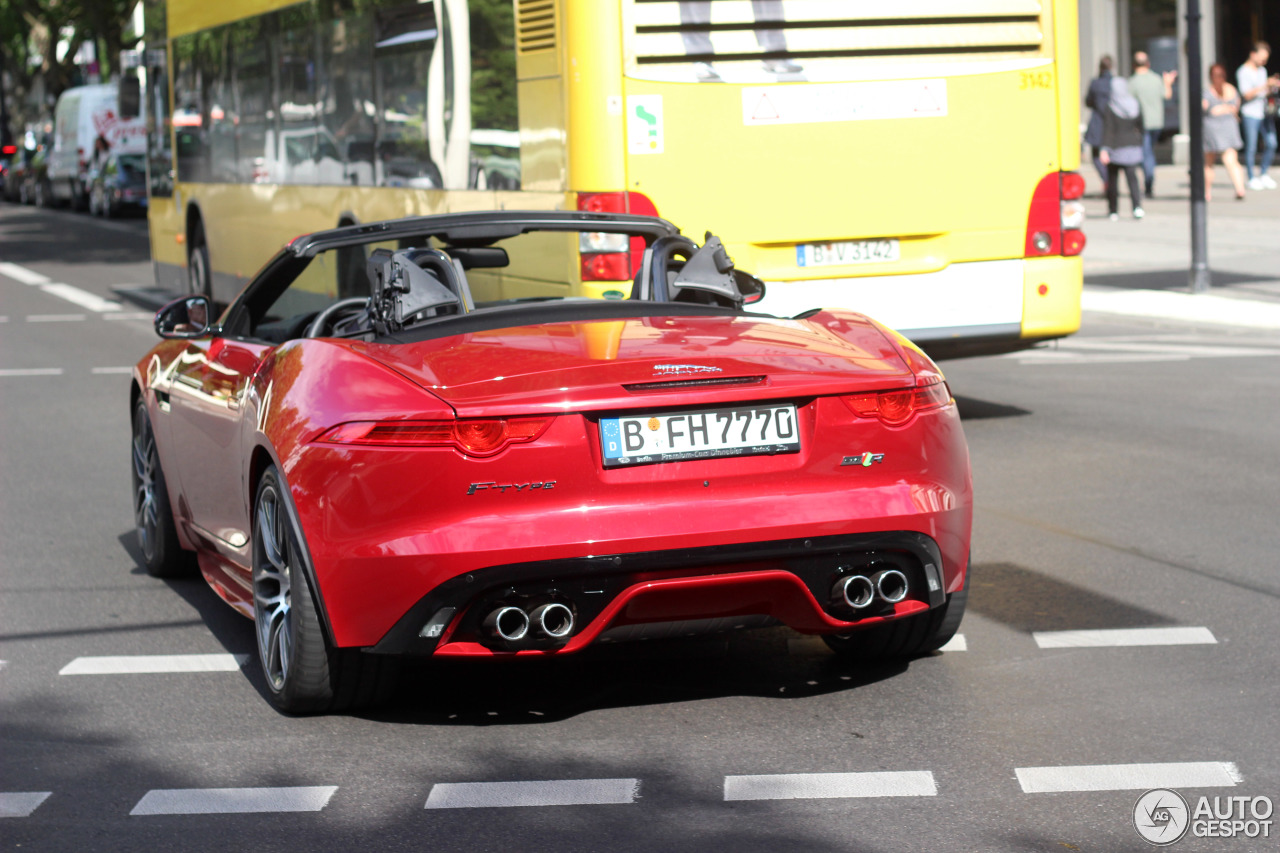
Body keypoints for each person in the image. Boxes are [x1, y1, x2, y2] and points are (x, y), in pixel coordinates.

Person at [1128, 52, 1177, 196]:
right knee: (1149, 151)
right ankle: (1149, 180)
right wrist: (1168, 83)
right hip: (1157, 122)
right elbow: (1167, 95)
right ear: (1148, 64)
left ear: (1134, 65)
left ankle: (1149, 180)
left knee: (1146, 153)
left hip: (1142, 124)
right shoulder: (1156, 79)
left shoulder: (1132, 82)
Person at [1099, 78, 1145, 220]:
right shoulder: (1135, 104)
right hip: (1132, 147)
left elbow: (1108, 129)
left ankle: (1113, 210)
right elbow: (1141, 126)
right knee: (1133, 180)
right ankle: (1137, 207)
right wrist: (1139, 141)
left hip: (1115, 148)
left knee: (1113, 181)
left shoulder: (1111, 106)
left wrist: (1104, 149)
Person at [1236, 41, 1280, 190]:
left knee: (1271, 143)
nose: (1264, 61)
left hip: (1264, 112)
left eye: (1266, 59)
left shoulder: (1262, 71)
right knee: (1251, 146)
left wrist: (1272, 86)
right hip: (1250, 113)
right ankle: (1251, 177)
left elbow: (1263, 92)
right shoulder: (1243, 71)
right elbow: (1246, 95)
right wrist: (1264, 85)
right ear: (1253, 54)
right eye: (1262, 58)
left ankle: (1264, 173)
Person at [1202, 63, 1247, 201]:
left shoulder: (1209, 92)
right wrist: (1227, 108)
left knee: (1213, 162)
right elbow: (1236, 107)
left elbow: (1204, 108)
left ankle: (1207, 192)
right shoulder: (1231, 90)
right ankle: (1239, 188)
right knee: (1229, 160)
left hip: (1216, 127)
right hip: (1224, 127)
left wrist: (1219, 109)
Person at [1084, 56, 1115, 192]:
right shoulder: (1115, 83)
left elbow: (1088, 101)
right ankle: (1110, 180)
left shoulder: (1095, 83)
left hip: (1098, 121)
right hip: (1112, 121)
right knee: (1111, 153)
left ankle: (1106, 179)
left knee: (1096, 155)